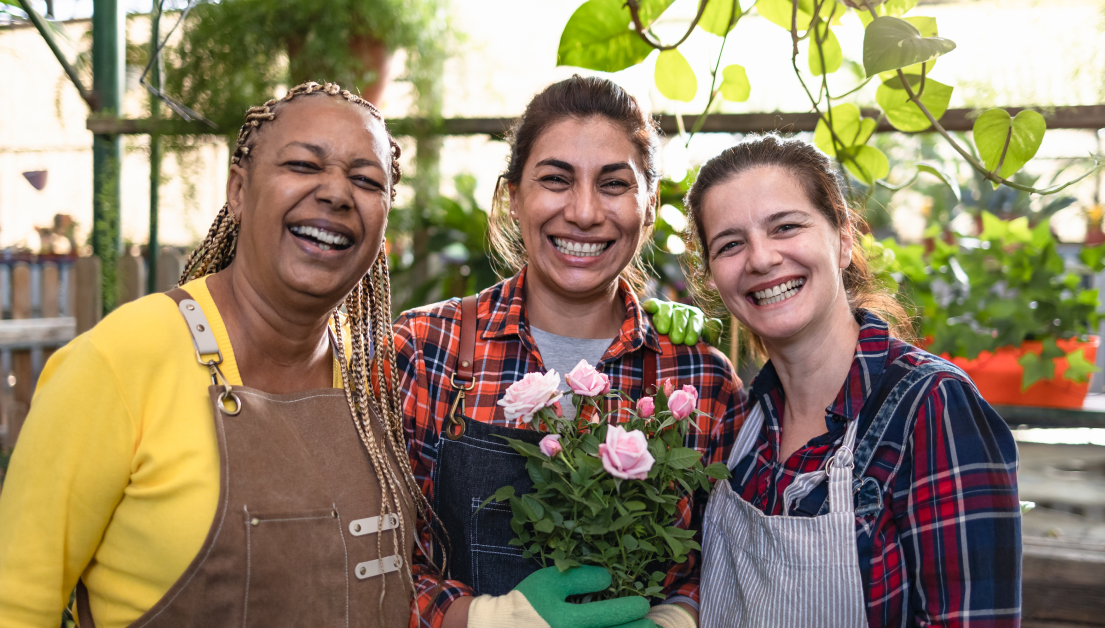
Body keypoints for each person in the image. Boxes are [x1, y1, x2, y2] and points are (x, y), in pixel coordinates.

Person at [0, 83, 423, 627]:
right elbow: (15, 604)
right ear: (238, 190)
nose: (336, 193)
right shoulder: (119, 362)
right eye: (303, 165)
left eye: (366, 180)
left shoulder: (379, 381)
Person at [389, 75, 745, 628]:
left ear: (648, 206)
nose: (583, 212)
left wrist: (679, 616)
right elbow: (367, 562)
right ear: (514, 197)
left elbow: (730, 565)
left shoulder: (698, 376)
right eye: (556, 179)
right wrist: (481, 619)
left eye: (612, 184)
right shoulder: (425, 351)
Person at [683, 135, 1022, 628]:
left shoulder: (930, 408)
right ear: (712, 276)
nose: (760, 259)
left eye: (786, 227)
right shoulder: (739, 422)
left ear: (844, 238)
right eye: (730, 244)